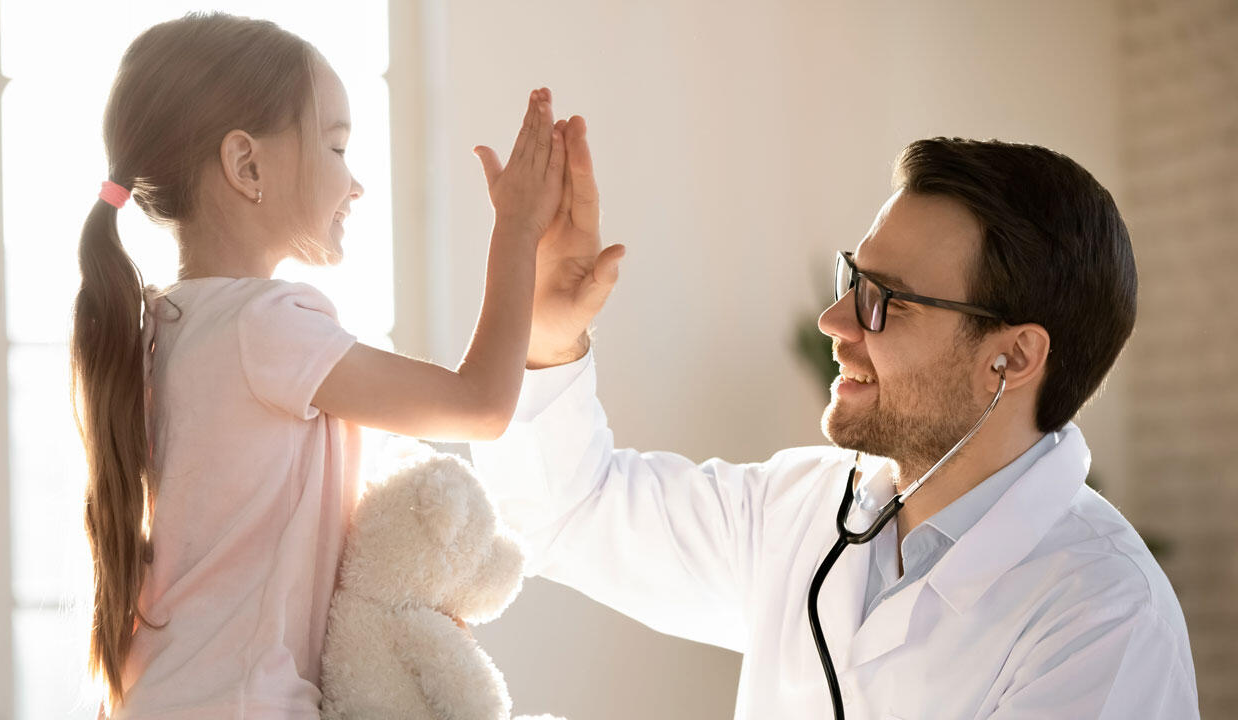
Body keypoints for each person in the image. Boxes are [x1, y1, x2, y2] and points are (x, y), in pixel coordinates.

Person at [470, 129, 1201, 718]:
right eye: (854, 280)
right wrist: (548, 338)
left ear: (1012, 357)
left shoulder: (1104, 616)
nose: (834, 321)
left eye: (888, 300)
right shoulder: (802, 510)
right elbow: (563, 512)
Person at [70, 12, 566, 718]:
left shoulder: (163, 328)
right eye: (336, 147)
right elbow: (480, 406)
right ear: (247, 166)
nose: (355, 183)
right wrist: (517, 229)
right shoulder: (267, 326)